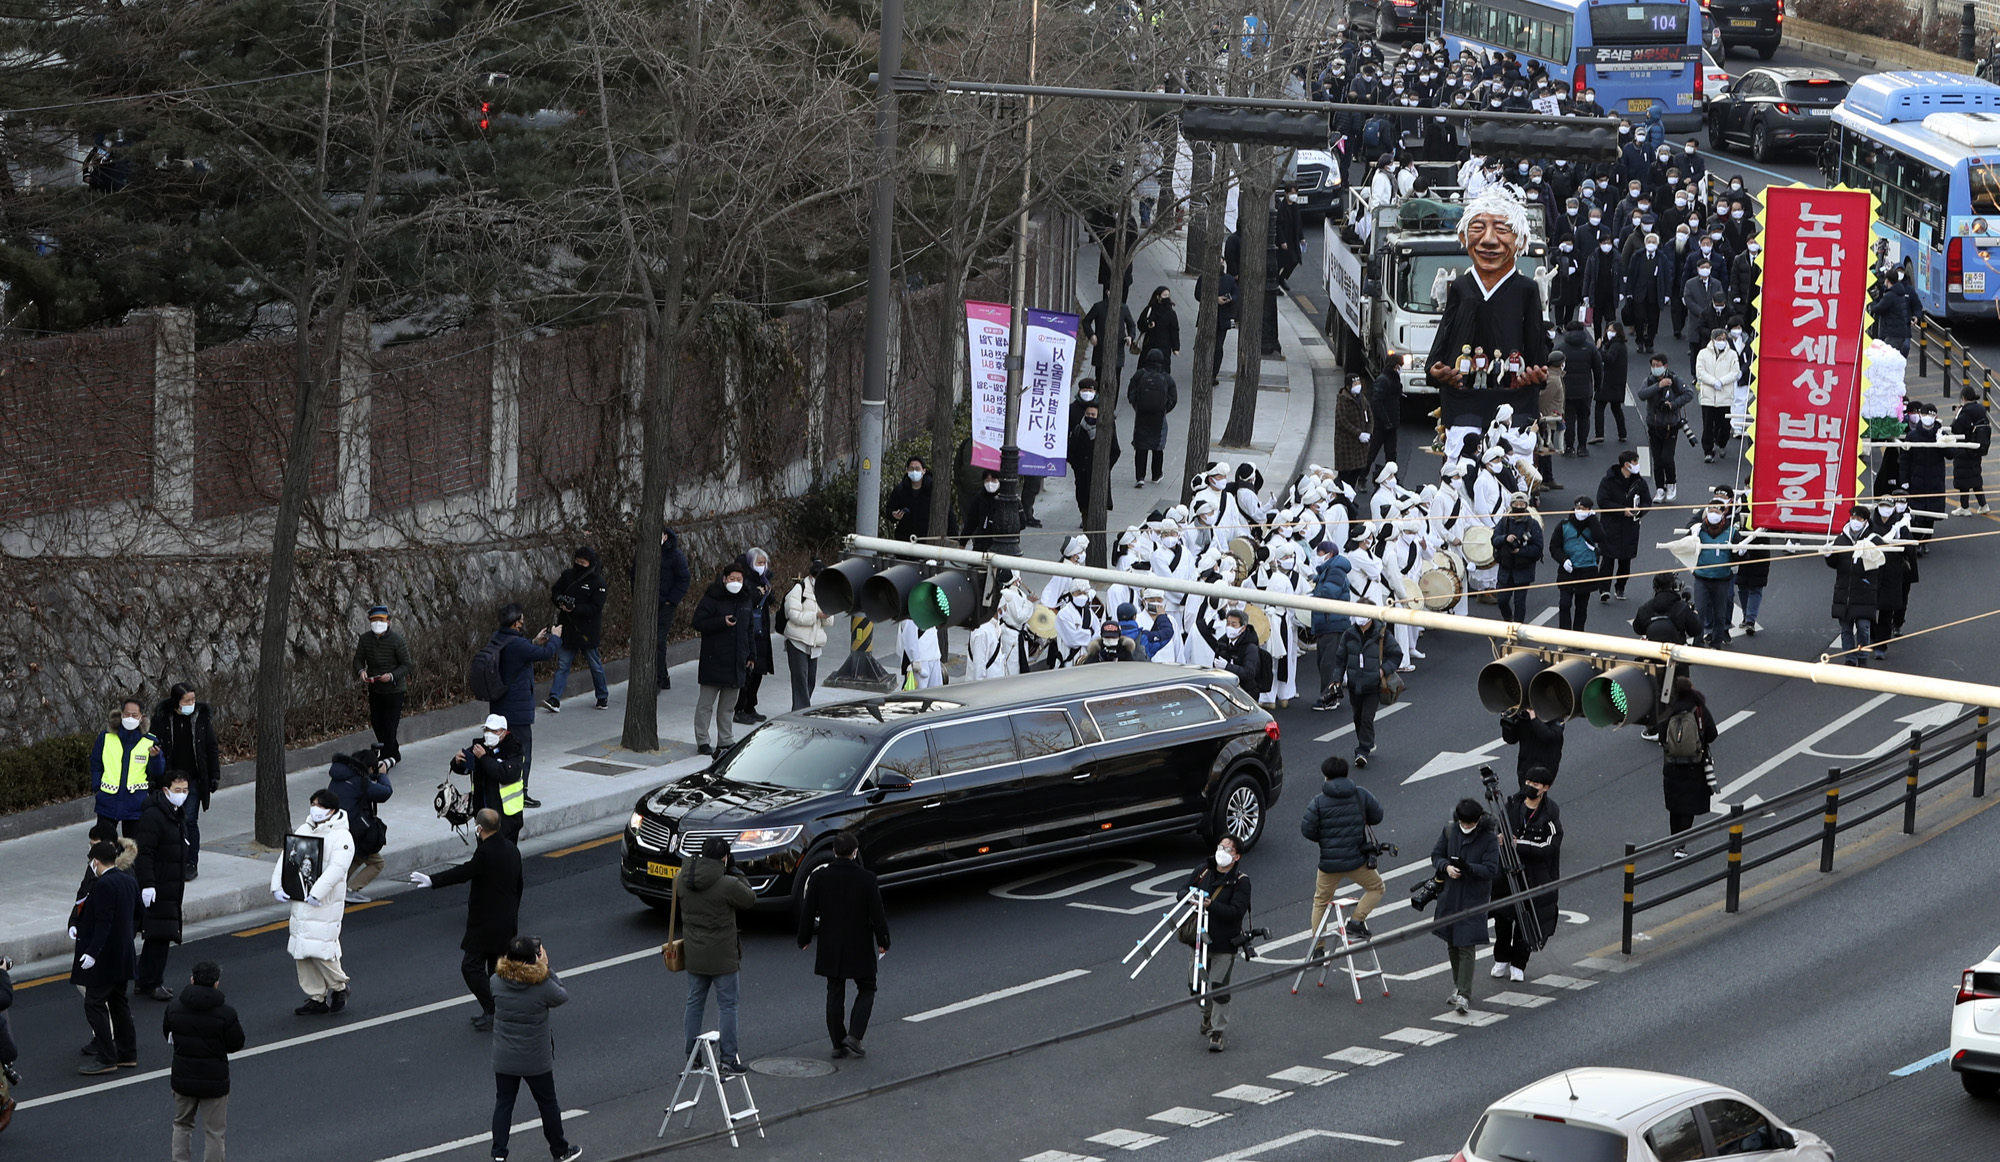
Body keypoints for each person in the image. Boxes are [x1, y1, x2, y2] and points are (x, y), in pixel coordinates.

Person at [408, 808, 523, 1033]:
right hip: (507, 922)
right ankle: (498, 1011)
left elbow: (464, 873)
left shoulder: (485, 853)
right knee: (497, 971)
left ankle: (492, 1009)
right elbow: (519, 885)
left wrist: (433, 880)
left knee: (470, 968)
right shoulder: (512, 849)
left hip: (486, 924)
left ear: (479, 829)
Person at [796, 831, 891, 1059]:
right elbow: (877, 914)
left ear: (835, 852)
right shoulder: (867, 879)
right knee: (867, 987)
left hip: (831, 944)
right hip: (859, 943)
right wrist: (883, 941)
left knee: (835, 991)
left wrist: (804, 938)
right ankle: (855, 1036)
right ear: (855, 852)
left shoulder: (819, 878)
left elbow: (808, 911)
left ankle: (838, 1043)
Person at [489, 936, 584, 1162]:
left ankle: (498, 1155)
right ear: (533, 958)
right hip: (535, 1058)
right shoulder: (542, 986)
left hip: (504, 1056)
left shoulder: (495, 980)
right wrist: (546, 967)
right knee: (548, 1104)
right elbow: (562, 995)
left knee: (504, 1103)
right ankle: (560, 1151)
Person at [272, 788, 355, 1016]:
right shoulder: (304, 829)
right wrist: (278, 886)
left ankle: (339, 986)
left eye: (320, 805)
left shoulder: (342, 837)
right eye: (313, 804)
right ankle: (316, 997)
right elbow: (286, 858)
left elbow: (337, 869)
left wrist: (317, 893)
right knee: (302, 951)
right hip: (301, 900)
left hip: (323, 904)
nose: (315, 809)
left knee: (320, 949)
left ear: (332, 810)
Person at [677, 836, 755, 1074]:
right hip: (723, 957)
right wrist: (736, 872)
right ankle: (728, 1059)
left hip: (695, 954)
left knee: (694, 1003)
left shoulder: (682, 879)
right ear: (724, 857)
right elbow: (749, 898)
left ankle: (692, 1055)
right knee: (728, 1005)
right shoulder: (726, 884)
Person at [1299, 755, 1385, 955]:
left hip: (1329, 864)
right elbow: (1377, 815)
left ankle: (1318, 947)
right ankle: (1356, 920)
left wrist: (1326, 840)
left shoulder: (1318, 802)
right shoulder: (1360, 794)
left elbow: (1307, 830)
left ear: (1325, 776)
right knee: (1376, 888)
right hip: (1357, 861)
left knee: (1320, 901)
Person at [163, 960, 243, 1162]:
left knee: (182, 1125)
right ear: (216, 983)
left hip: (183, 1078)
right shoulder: (226, 1013)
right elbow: (236, 1043)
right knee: (214, 1133)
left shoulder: (173, 1008)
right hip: (214, 1080)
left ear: (192, 980)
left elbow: (168, 1035)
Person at [74, 838, 140, 1074]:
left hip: (105, 957)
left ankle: (106, 1057)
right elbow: (138, 913)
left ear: (96, 861)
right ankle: (127, 1053)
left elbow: (104, 923)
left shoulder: (103, 885)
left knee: (94, 1003)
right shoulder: (129, 881)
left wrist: (92, 953)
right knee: (118, 1002)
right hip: (124, 953)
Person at [1490, 767, 1562, 983]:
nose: (1530, 786)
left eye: (1536, 784)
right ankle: (1501, 958)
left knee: (1527, 918)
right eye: (1528, 781)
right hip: (1506, 872)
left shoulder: (1550, 816)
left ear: (1545, 788)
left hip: (1534, 876)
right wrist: (1499, 839)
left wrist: (1518, 844)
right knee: (1502, 916)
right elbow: (1499, 829)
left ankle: (1519, 964)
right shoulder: (1512, 805)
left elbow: (1548, 848)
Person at [1429, 798, 1500, 1015]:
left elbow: (1490, 870)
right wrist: (1447, 867)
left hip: (1473, 898)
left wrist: (1467, 868)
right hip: (1450, 896)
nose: (1466, 827)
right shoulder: (1450, 830)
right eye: (1463, 823)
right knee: (1452, 942)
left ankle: (1464, 993)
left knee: (1466, 944)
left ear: (1478, 820)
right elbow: (1436, 855)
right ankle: (1459, 987)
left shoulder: (1488, 838)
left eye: (1470, 823)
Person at [484, 604, 560, 808]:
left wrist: (534, 642)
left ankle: (498, 786)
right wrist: (555, 637)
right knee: (522, 751)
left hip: (499, 707)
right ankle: (521, 792)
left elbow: (523, 650)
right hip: (517, 711)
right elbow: (545, 654)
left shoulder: (498, 637)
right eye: (522, 619)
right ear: (517, 622)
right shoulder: (517, 645)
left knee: (500, 749)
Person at [1185, 835, 1253, 1052]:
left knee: (1219, 987)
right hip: (1199, 941)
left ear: (1237, 856)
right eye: (1221, 847)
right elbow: (1181, 891)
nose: (1222, 851)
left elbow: (1235, 912)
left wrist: (1210, 904)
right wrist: (1190, 898)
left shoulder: (1241, 882)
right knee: (1195, 986)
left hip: (1225, 943)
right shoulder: (1203, 870)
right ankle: (1207, 1016)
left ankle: (1218, 1031)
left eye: (1229, 849)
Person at [133, 773, 194, 1002]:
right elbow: (144, 852)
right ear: (165, 790)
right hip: (160, 884)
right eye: (177, 790)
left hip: (170, 884)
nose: (182, 795)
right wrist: (148, 884)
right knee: (160, 934)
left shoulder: (175, 813)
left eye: (185, 790)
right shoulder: (154, 816)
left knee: (158, 934)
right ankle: (153, 981)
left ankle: (145, 979)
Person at [151, 683, 221, 875]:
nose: (191, 703)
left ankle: (191, 862)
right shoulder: (162, 719)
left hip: (194, 779)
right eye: (186, 700)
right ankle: (170, 860)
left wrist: (214, 775)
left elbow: (211, 747)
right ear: (176, 702)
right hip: (169, 779)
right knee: (167, 820)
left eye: (193, 699)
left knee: (190, 820)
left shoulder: (201, 719)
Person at [1326, 606, 1403, 769]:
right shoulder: (1349, 634)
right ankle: (1368, 741)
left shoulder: (1382, 634)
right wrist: (1337, 679)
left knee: (1367, 717)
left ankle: (1362, 750)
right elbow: (1341, 659)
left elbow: (1396, 654)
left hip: (1373, 685)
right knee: (1358, 717)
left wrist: (1383, 670)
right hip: (1354, 685)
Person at [691, 563, 755, 756]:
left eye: (739, 580)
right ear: (725, 578)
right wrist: (721, 622)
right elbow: (698, 622)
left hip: (737, 661)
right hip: (714, 658)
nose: (736, 583)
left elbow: (749, 629)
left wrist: (751, 655)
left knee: (728, 706)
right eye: (733, 579)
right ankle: (702, 740)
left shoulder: (746, 600)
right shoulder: (712, 597)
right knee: (706, 704)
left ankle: (725, 740)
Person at [543, 545, 608, 713]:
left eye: (583, 562)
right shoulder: (568, 576)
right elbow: (556, 590)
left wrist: (576, 608)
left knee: (595, 664)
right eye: (577, 561)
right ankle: (554, 698)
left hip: (587, 631)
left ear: (590, 563)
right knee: (563, 665)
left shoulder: (598, 583)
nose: (579, 565)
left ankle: (602, 696)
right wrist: (560, 601)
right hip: (568, 628)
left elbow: (596, 607)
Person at [1659, 675, 1718, 857]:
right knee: (1689, 806)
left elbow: (1662, 737)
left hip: (1672, 766)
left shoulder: (1667, 710)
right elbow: (1712, 734)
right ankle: (1680, 846)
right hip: (1694, 765)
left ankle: (1673, 840)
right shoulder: (1698, 709)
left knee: (1675, 806)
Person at [327, 746, 393, 902]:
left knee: (356, 856)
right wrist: (382, 775)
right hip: (353, 829)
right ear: (370, 768)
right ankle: (350, 890)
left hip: (335, 825)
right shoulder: (360, 781)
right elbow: (385, 792)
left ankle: (335, 887)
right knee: (377, 863)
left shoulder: (339, 775)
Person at [93, 698, 163, 839]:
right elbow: (95, 763)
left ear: (141, 717)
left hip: (135, 803)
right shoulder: (105, 737)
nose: (130, 718)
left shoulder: (150, 741)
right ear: (121, 714)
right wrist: (97, 787)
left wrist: (155, 758)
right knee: (103, 846)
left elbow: (157, 772)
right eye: (126, 714)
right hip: (107, 800)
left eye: (134, 715)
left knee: (132, 849)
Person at [351, 605, 412, 764]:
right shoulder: (365, 640)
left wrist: (392, 676)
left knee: (390, 725)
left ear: (389, 621)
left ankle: (385, 759)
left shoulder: (397, 641)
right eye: (374, 620)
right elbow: (358, 659)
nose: (378, 623)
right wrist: (361, 671)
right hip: (375, 688)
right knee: (377, 723)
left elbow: (406, 664)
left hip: (394, 689)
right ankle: (394, 752)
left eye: (381, 620)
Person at [452, 714, 526, 841]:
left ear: (504, 732)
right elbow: (465, 767)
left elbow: (505, 774)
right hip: (483, 813)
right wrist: (457, 762)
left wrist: (484, 758)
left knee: (504, 856)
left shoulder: (513, 749)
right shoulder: (480, 746)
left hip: (506, 817)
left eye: (494, 731)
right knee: (484, 854)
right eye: (487, 730)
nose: (489, 734)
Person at [1825, 506, 1880, 664]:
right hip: (1844, 591)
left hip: (1865, 591)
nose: (1855, 521)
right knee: (1846, 628)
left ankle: (1862, 656)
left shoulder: (1873, 539)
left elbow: (1881, 561)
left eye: (1859, 519)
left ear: (1865, 521)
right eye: (1853, 518)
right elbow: (1835, 563)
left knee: (1863, 627)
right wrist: (1828, 555)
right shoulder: (1841, 539)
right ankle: (1850, 657)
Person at [733, 547, 781, 725]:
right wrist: (757, 593)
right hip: (749, 630)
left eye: (764, 563)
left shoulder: (764, 579)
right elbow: (744, 598)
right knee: (748, 671)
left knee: (759, 670)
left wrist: (767, 591)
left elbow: (772, 599)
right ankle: (739, 707)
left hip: (762, 630)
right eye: (759, 563)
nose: (762, 566)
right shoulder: (744, 579)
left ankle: (750, 706)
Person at [1594, 451, 1650, 602]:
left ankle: (1620, 587)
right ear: (1627, 464)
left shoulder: (1639, 483)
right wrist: (1621, 511)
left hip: (1630, 527)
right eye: (1635, 462)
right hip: (1610, 525)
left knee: (1626, 560)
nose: (1637, 465)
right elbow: (1603, 501)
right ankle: (1604, 589)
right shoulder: (1608, 481)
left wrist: (1639, 511)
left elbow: (1647, 502)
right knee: (1608, 558)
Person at [1635, 363, 1692, 502]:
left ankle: (1671, 484)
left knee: (1667, 458)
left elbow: (1688, 394)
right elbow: (1641, 395)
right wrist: (1658, 386)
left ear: (1665, 366)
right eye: (1653, 365)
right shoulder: (1649, 381)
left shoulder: (1675, 380)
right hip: (1653, 426)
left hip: (1670, 426)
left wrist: (1672, 404)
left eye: (1658, 365)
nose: (1655, 368)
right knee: (1657, 460)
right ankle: (1659, 489)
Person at [1308, 540, 1353, 712]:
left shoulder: (1334, 570)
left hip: (1332, 623)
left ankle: (1329, 698)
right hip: (1328, 623)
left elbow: (1329, 593)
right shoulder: (1329, 570)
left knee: (1329, 664)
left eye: (1320, 554)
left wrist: (1312, 597)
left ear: (1329, 554)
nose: (1317, 558)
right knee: (1325, 662)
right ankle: (1330, 694)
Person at [782, 561, 831, 711]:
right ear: (811, 576)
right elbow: (793, 615)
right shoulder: (799, 589)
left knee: (810, 680)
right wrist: (815, 615)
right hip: (797, 640)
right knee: (800, 679)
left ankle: (801, 709)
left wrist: (826, 615)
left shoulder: (825, 591)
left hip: (815, 643)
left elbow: (829, 622)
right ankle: (800, 710)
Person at [1691, 502, 1741, 648]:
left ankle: (1716, 643)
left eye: (1717, 511)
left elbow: (1741, 557)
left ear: (1723, 514)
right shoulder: (1699, 530)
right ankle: (1697, 643)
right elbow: (1686, 546)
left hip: (1722, 579)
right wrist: (1692, 535)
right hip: (1701, 578)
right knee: (1699, 612)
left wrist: (1740, 553)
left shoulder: (1731, 532)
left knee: (1720, 614)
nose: (1714, 514)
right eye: (1711, 510)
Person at [1127, 348, 1179, 485]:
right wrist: (1163, 409)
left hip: (1142, 416)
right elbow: (1173, 398)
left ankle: (1140, 477)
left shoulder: (1140, 374)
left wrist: (1137, 406)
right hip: (1159, 418)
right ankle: (1156, 475)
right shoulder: (1166, 377)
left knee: (1141, 446)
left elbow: (1131, 392)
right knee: (1158, 446)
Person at [1548, 496, 1601, 631]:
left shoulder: (1592, 525)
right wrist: (1563, 560)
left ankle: (1578, 636)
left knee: (1581, 607)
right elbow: (1554, 546)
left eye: (1584, 509)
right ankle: (1565, 636)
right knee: (1564, 604)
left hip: (1586, 570)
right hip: (1568, 572)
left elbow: (1600, 537)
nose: (1580, 511)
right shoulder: (1564, 525)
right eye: (1578, 508)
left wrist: (1593, 519)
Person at [1492, 491, 1543, 624]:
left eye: (1522, 504)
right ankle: (1508, 619)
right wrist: (1505, 538)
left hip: (1524, 569)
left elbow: (1538, 549)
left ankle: (1517, 627)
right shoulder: (1503, 522)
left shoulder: (1533, 525)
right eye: (1516, 504)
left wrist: (1520, 551)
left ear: (1526, 505)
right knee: (1502, 600)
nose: (1518, 506)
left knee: (1519, 602)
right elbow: (1494, 540)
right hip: (1505, 568)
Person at [654, 525, 693, 690]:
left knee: (657, 641)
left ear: (665, 536)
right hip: (649, 605)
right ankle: (662, 677)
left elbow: (684, 579)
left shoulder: (675, 555)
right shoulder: (645, 552)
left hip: (665, 605)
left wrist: (671, 600)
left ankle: (657, 679)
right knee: (653, 642)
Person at [1693, 328, 1739, 462]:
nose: (1722, 342)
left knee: (1724, 424)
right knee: (1707, 425)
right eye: (1719, 339)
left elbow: (1735, 372)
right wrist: (1713, 382)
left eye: (1724, 339)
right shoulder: (1703, 354)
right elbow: (1700, 372)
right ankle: (1708, 450)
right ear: (1712, 340)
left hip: (1724, 396)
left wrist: (1721, 382)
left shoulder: (1732, 355)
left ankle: (1722, 442)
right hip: (1708, 396)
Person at [1068, 403, 1120, 520]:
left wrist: (1105, 467)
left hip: (1099, 476)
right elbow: (1070, 451)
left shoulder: (1106, 431)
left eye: (1093, 414)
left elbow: (1115, 451)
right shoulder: (1079, 430)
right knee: (1084, 503)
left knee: (1098, 509)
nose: (1090, 417)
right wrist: (1077, 466)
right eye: (1088, 414)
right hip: (1082, 475)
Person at [885, 457, 952, 542]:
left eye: (917, 469)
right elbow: (889, 511)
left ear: (924, 470)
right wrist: (893, 515)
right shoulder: (900, 490)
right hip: (904, 539)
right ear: (907, 470)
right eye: (911, 469)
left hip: (927, 539)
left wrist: (953, 538)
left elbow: (948, 513)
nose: (914, 472)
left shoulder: (934, 491)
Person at [1632, 571, 1702, 646]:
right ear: (1674, 586)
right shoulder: (1683, 607)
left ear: (1655, 587)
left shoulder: (1645, 608)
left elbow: (1638, 629)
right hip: (1677, 649)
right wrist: (1695, 616)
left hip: (1652, 650)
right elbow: (1695, 631)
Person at [1500, 706, 1563, 788]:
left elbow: (1550, 736)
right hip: (1525, 767)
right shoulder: (1524, 715)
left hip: (1544, 768)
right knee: (1525, 796)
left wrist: (1534, 719)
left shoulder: (1552, 711)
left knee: (1534, 796)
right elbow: (1510, 739)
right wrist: (1508, 720)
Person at [1951, 385, 1991, 514]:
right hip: (1978, 447)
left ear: (1963, 398)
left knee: (1964, 478)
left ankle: (1964, 507)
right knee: (1975, 476)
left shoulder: (1965, 411)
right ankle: (1983, 504)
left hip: (1965, 447)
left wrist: (1957, 415)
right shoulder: (1980, 409)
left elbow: (1955, 429)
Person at [1593, 322, 1629, 444]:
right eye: (1608, 330)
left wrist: (1598, 350)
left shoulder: (1615, 346)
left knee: (1599, 406)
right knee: (1616, 407)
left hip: (1609, 381)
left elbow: (1609, 359)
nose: (1609, 332)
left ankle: (1599, 434)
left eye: (1612, 330)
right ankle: (1622, 433)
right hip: (1618, 381)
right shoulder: (1620, 345)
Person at [1135, 284, 1181, 357]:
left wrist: (1176, 348)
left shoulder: (1171, 313)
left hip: (1164, 347)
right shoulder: (1149, 309)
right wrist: (1148, 325)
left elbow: (1174, 330)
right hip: (1149, 345)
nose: (1167, 298)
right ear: (1158, 297)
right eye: (1165, 295)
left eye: (1168, 295)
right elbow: (1140, 324)